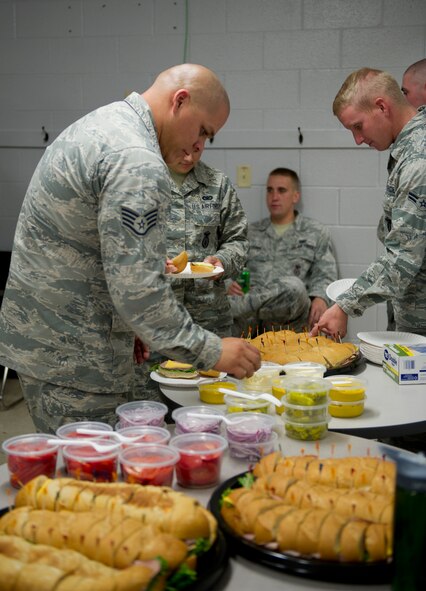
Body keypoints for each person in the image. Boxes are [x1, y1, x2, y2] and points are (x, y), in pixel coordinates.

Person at [0, 63, 260, 433]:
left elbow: (96, 252)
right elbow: (139, 290)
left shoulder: (105, 124)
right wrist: (214, 351)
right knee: (92, 479)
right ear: (180, 101)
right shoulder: (137, 158)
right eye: (202, 130)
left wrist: (130, 321)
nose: (200, 146)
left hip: (55, 341)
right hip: (76, 357)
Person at [311, 67, 426, 339]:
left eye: (358, 126)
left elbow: (403, 258)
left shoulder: (418, 162)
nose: (358, 139)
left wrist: (345, 306)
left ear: (382, 107)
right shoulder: (408, 150)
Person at [134, 153, 249, 401]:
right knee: (152, 411)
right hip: (154, 325)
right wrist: (149, 264)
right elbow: (123, 246)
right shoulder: (142, 183)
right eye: (183, 147)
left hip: (209, 323)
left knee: (211, 409)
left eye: (197, 147)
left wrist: (223, 261)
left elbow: (238, 241)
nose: (188, 155)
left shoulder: (217, 184)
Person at [227, 168, 337, 336]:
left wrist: (321, 297)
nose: (274, 197)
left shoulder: (315, 232)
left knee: (295, 288)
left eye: (281, 190)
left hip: (292, 319)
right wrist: (229, 285)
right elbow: (230, 268)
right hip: (252, 324)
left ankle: (238, 307)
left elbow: (326, 274)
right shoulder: (250, 232)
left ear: (295, 196)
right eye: (270, 190)